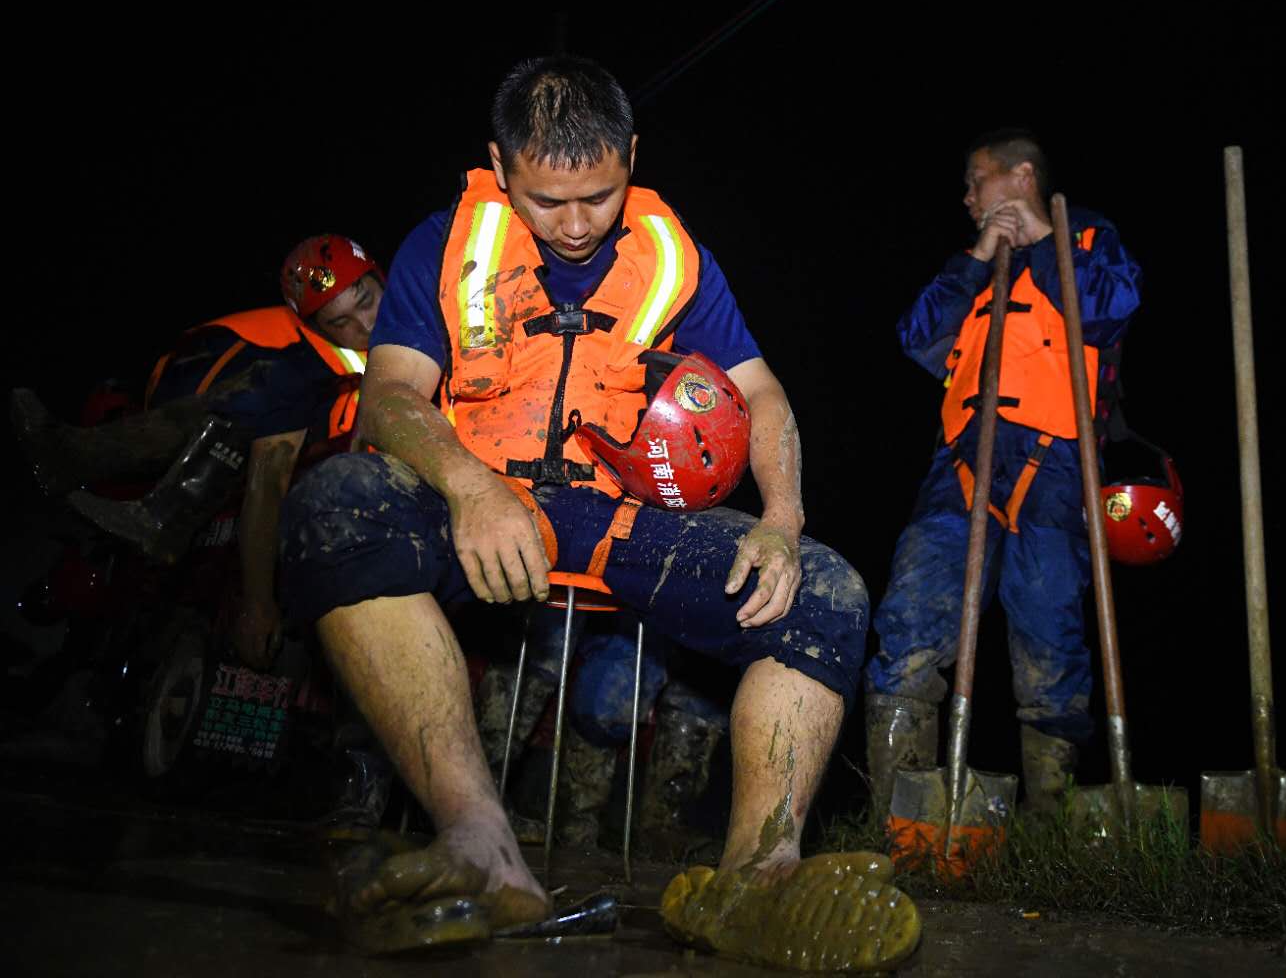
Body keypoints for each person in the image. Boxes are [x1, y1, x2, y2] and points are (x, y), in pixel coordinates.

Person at [277, 55, 919, 968]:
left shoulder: (673, 253)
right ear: (501, 168)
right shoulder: (444, 242)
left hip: (615, 520)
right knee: (334, 508)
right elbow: (388, 397)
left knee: (824, 594)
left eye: (601, 196)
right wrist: (469, 487)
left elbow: (764, 394)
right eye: (547, 202)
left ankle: (756, 879)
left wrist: (782, 518)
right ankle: (482, 850)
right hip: (481, 500)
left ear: (630, 155)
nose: (576, 226)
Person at [864, 129, 1143, 818]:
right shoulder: (975, 262)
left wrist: (1043, 237)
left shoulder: (1086, 239)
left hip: (1055, 467)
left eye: (975, 179)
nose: (966, 195)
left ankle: (1049, 825)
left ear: (1020, 175)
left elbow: (1111, 310)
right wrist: (982, 254)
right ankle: (899, 825)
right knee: (910, 620)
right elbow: (919, 339)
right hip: (958, 465)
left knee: (1048, 632)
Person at [10, 236, 382, 671]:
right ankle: (151, 501)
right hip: (276, 453)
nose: (365, 324)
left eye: (367, 300)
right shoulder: (298, 370)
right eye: (341, 322)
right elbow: (266, 489)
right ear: (319, 328)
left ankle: (141, 497)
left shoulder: (423, 313)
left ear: (383, 276)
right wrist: (257, 605)